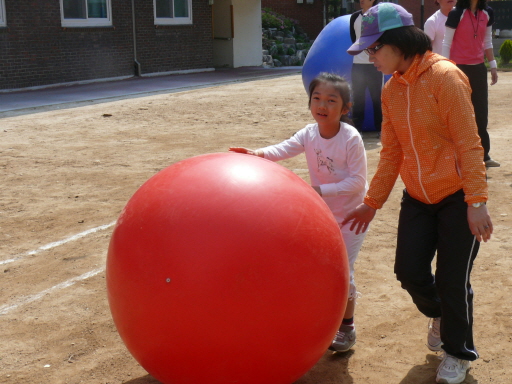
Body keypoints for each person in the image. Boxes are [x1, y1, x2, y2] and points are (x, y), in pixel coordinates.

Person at [345, 3, 493, 384]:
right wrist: (371, 202)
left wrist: (475, 202)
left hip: (456, 197)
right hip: (418, 197)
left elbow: (469, 143)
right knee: (408, 271)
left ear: (398, 42)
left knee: (452, 279)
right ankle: (442, 315)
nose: (370, 56)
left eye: (375, 48)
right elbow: (392, 152)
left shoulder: (446, 77)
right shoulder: (392, 88)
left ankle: (458, 352)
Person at [230, 73, 368, 353]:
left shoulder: (350, 137)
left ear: (345, 108)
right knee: (317, 268)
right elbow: (283, 148)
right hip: (321, 214)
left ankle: (347, 328)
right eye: (317, 98)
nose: (323, 105)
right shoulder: (309, 133)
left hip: (352, 216)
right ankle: (320, 320)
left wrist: (318, 190)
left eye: (331, 100)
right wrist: (256, 154)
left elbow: (358, 182)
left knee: (343, 270)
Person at [442, 0, 500, 168]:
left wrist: (493, 66)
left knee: (481, 112)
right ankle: (455, 155)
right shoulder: (456, 13)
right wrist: (447, 68)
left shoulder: (487, 13)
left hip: (479, 69)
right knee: (458, 112)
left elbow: (487, 41)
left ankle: (484, 155)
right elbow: (446, 43)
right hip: (458, 68)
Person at [349, 0, 383, 136]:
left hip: (375, 64)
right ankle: (357, 130)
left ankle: (381, 129)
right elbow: (353, 38)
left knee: (377, 98)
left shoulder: (379, 16)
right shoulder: (354, 17)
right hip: (358, 64)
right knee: (358, 98)